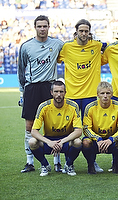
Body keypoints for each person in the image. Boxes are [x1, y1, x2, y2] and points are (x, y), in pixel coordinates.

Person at [57, 19, 106, 173]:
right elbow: (56, 59)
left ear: (89, 32)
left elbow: (109, 46)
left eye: (86, 31)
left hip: (91, 95)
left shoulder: (96, 46)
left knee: (91, 130)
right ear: (76, 32)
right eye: (81, 31)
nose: (84, 34)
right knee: (70, 130)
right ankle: (68, 162)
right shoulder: (66, 47)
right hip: (71, 95)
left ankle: (92, 162)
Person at [17, 15, 64, 173]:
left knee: (54, 125)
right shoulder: (26, 46)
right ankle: (30, 162)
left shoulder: (57, 44)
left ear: (49, 27)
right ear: (35, 27)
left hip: (49, 86)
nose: (42, 29)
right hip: (32, 89)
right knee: (30, 126)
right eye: (39, 26)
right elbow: (21, 70)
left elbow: (73, 48)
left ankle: (57, 161)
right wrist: (22, 92)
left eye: (45, 26)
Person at [29, 80, 82, 176]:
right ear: (51, 92)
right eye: (56, 91)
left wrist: (62, 142)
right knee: (32, 142)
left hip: (66, 140)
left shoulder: (73, 106)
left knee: (78, 142)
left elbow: (78, 131)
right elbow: (33, 131)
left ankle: (69, 165)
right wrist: (49, 142)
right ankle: (45, 165)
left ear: (65, 93)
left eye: (61, 92)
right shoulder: (43, 106)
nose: (58, 94)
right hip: (49, 140)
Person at [82, 81, 118, 174]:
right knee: (85, 142)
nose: (105, 96)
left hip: (111, 140)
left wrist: (111, 139)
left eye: (108, 93)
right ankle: (91, 164)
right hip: (96, 140)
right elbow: (86, 128)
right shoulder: (90, 107)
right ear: (98, 95)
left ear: (112, 94)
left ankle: (115, 162)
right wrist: (98, 139)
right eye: (102, 93)